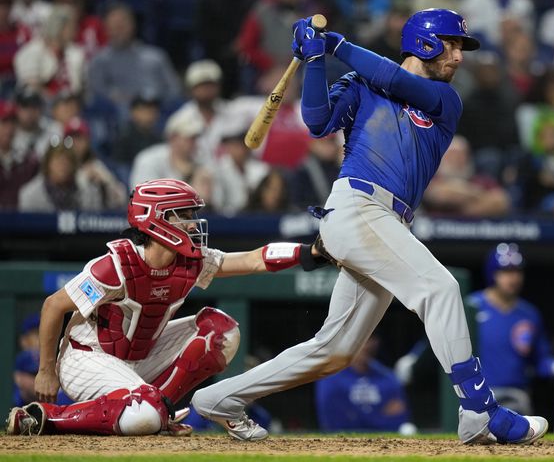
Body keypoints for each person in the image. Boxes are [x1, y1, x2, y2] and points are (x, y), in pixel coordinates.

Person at [191, 9, 550, 445]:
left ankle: (219, 398)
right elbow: (318, 121)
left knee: (335, 350)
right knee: (440, 288)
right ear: (425, 42)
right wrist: (315, 62)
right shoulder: (361, 85)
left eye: (459, 47)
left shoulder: (444, 99)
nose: (458, 56)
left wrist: (335, 46)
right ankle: (479, 410)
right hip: (358, 207)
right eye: (452, 44)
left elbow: (398, 83)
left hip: (383, 222)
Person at [6, 178, 329, 436]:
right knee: (142, 417)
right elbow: (53, 306)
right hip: (87, 358)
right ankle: (48, 418)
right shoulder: (116, 265)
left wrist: (308, 252)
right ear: (156, 219)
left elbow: (251, 259)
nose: (193, 223)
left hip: (137, 356)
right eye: (185, 215)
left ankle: (159, 408)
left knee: (221, 331)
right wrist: (46, 370)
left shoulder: (190, 261)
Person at [467, 244, 554, 415]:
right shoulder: (471, 306)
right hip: (478, 394)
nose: (513, 278)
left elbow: (540, 359)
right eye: (505, 272)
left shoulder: (529, 314)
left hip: (517, 396)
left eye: (517, 271)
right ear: (493, 274)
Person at [315, 335, 415, 433]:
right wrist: (379, 417)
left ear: (377, 342)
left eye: (371, 338)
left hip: (384, 445)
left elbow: (400, 420)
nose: (367, 345)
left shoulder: (388, 377)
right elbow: (334, 423)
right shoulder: (331, 376)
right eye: (362, 337)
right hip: (342, 446)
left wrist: (355, 414)